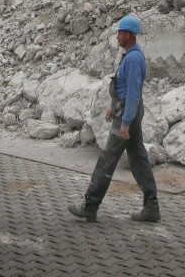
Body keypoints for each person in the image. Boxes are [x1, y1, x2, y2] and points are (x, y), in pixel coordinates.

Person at [68, 13, 161, 224]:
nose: (117, 36)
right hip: (125, 112)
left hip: (127, 115)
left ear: (128, 35)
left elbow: (133, 95)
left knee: (106, 160)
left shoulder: (134, 59)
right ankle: (151, 207)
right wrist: (112, 105)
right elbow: (123, 87)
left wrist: (126, 123)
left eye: (120, 32)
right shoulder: (129, 55)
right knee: (139, 160)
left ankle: (90, 206)